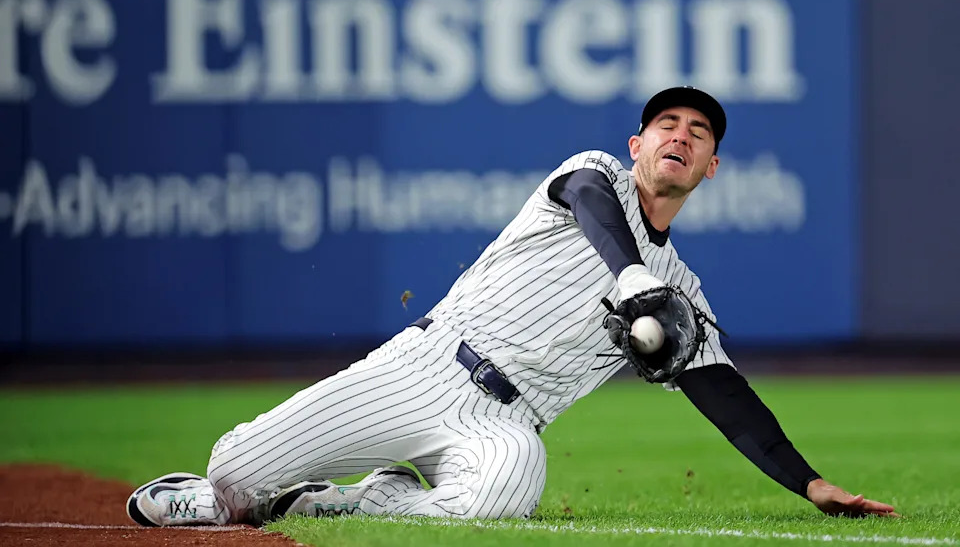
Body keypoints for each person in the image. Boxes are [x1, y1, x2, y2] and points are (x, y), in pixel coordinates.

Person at [126, 86, 897, 527]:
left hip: (505, 423)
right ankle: (260, 487)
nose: (681, 136)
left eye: (699, 133)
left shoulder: (682, 293)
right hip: (426, 367)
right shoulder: (593, 174)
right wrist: (630, 283)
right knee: (233, 470)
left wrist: (809, 483)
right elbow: (592, 202)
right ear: (637, 144)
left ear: (711, 168)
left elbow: (726, 393)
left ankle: (352, 508)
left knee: (503, 495)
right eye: (667, 124)